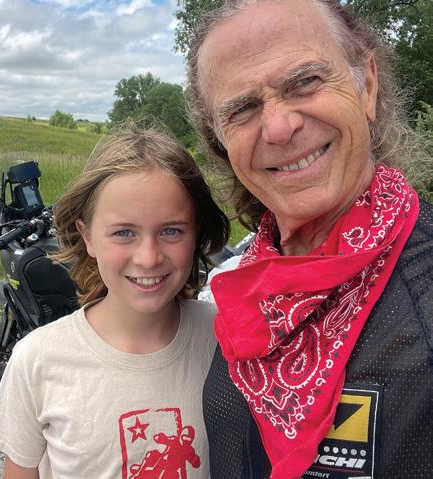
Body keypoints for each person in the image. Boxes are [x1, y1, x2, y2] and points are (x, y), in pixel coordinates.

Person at [186, 1, 433, 478]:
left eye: (305, 81)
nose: (279, 128)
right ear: (221, 142)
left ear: (367, 85)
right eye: (242, 108)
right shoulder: (237, 289)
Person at [0, 124, 230, 479]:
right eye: (123, 232)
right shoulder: (37, 361)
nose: (148, 258)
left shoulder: (226, 337)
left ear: (196, 235)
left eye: (171, 230)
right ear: (88, 237)